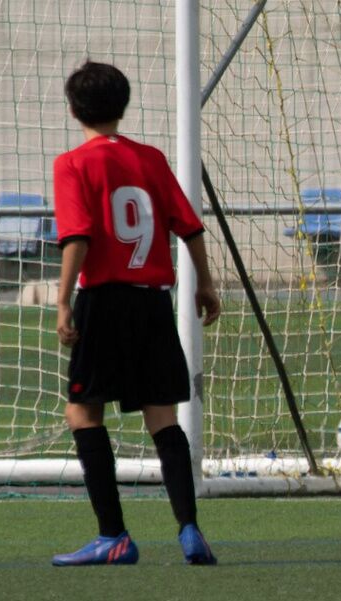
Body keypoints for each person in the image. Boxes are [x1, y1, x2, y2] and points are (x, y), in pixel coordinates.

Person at [50, 61, 222, 565]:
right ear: (122, 107)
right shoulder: (150, 158)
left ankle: (114, 536)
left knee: (82, 411)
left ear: (73, 109)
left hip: (103, 300)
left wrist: (63, 301)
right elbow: (188, 227)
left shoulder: (73, 163)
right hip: (153, 302)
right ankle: (189, 528)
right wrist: (207, 283)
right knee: (162, 415)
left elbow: (78, 236)